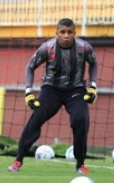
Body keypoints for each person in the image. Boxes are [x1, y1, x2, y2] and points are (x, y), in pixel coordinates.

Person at [8, 18, 98, 174]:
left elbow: (94, 63)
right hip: (51, 90)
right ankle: (18, 160)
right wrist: (28, 92)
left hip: (75, 90)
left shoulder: (84, 48)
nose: (66, 36)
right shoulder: (47, 48)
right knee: (35, 119)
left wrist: (93, 86)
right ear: (57, 33)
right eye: (62, 32)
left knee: (80, 119)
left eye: (69, 32)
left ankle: (80, 164)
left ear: (75, 33)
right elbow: (30, 67)